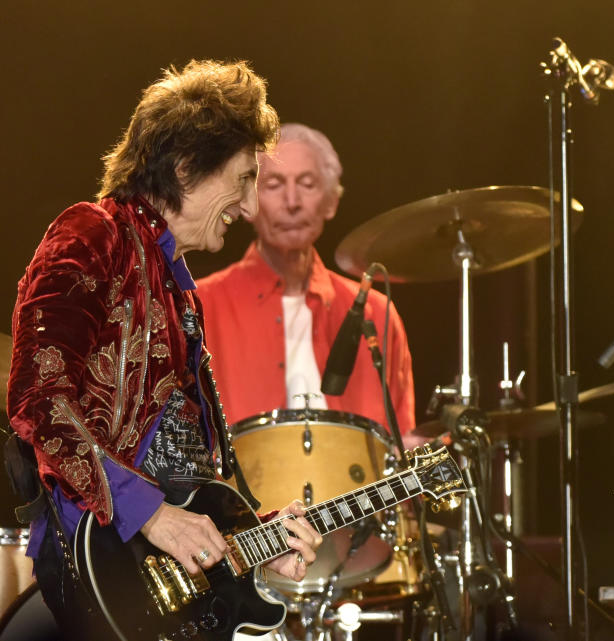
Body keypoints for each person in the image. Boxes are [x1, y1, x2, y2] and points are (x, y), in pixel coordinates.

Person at [5, 60, 323, 640]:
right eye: (243, 179)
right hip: (102, 564)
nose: (251, 208)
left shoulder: (178, 292)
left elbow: (190, 479)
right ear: (184, 168)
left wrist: (259, 539)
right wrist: (149, 514)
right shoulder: (91, 234)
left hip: (164, 578)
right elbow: (38, 397)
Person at [196, 122, 417, 442]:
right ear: (247, 202)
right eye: (273, 184)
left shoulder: (375, 313)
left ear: (331, 202)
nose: (292, 201)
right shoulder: (201, 305)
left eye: (307, 184)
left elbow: (400, 450)